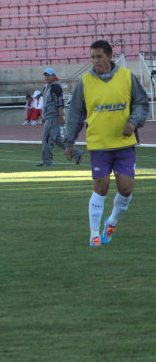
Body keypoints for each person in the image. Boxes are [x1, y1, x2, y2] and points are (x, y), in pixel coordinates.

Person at [64, 40, 149, 246]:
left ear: (110, 56)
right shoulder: (85, 82)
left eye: (99, 57)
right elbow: (75, 114)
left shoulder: (127, 77)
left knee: (126, 189)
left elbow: (141, 103)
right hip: (99, 144)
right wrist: (69, 141)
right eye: (92, 57)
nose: (95, 61)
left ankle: (111, 223)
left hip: (124, 144)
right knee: (101, 187)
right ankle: (94, 235)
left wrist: (133, 121)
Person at [37, 68, 83, 166]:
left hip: (53, 117)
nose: (46, 77)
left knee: (47, 139)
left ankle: (47, 162)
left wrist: (61, 117)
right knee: (58, 140)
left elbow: (60, 103)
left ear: (54, 76)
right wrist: (44, 117)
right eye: (45, 75)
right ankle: (77, 153)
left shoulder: (55, 88)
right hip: (49, 117)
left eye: (48, 75)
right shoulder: (47, 87)